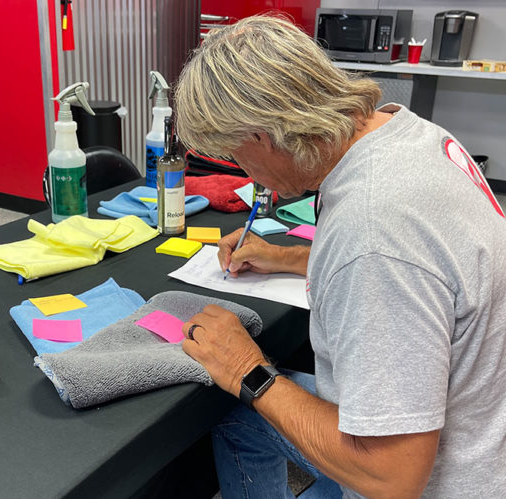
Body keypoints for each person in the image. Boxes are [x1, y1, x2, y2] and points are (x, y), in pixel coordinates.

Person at [174, 15, 506, 499]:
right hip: (485, 423)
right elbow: (434, 274)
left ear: (262, 136)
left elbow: (393, 478)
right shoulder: (404, 133)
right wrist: (286, 257)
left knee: (241, 405)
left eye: (239, 158)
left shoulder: (374, 231)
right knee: (245, 422)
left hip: (442, 477)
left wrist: (247, 369)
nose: (249, 176)